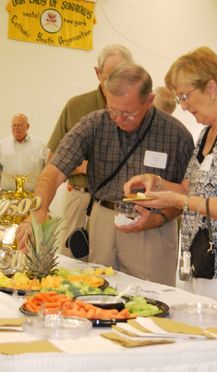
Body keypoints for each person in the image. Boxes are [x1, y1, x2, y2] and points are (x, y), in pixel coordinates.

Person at [16, 63, 194, 286]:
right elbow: (53, 171)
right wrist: (39, 210)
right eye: (113, 110)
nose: (118, 119)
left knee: (150, 301)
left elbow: (188, 196)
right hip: (102, 223)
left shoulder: (176, 135)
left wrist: (159, 218)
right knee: (96, 294)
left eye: (128, 113)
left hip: (153, 230)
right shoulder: (94, 123)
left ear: (149, 100)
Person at [123, 47, 217, 311]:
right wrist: (156, 182)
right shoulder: (207, 134)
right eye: (180, 99)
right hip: (203, 260)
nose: (184, 106)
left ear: (211, 88)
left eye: (186, 96)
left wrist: (180, 200)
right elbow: (189, 188)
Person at [47, 44, 134, 259]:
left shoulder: (139, 110)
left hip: (123, 207)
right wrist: (91, 167)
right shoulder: (77, 106)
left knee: (115, 271)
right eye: (111, 76)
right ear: (98, 73)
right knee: (72, 265)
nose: (117, 83)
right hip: (81, 199)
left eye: (123, 75)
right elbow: (52, 160)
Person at [0, 114, 47, 192]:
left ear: (28, 126)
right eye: (14, 126)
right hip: (7, 194)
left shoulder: (40, 144)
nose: (16, 128)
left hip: (33, 194)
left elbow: (48, 168)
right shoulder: (2, 145)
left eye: (19, 125)